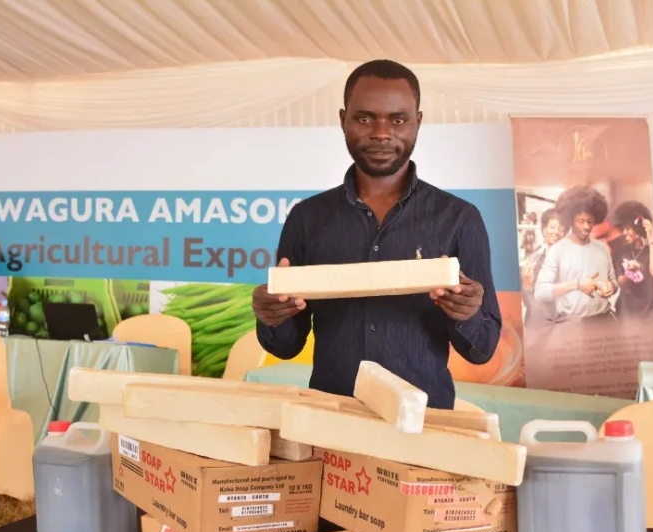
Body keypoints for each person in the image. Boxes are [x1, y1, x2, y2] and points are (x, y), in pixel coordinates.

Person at [252, 60, 501, 409]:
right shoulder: (307, 218)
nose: (382, 133)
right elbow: (286, 346)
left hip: (424, 422)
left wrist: (467, 314)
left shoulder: (459, 218)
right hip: (331, 419)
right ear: (344, 120)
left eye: (398, 120)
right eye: (365, 118)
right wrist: (271, 317)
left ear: (417, 122)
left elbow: (482, 349)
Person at [534, 186, 617, 321]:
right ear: (570, 220)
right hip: (571, 323)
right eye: (580, 221)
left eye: (590, 221)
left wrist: (611, 287)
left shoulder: (602, 249)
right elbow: (540, 292)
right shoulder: (557, 250)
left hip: (604, 319)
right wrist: (577, 284)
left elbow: (613, 281)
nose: (586, 227)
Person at [610, 201, 653, 317]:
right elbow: (620, 281)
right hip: (627, 313)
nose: (624, 233)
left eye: (628, 228)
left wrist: (650, 237)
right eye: (622, 229)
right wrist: (629, 273)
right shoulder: (621, 252)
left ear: (638, 227)